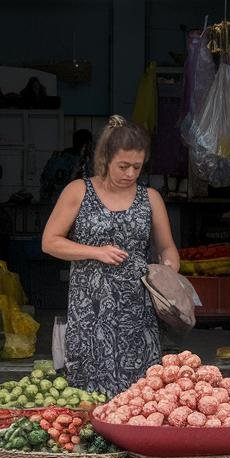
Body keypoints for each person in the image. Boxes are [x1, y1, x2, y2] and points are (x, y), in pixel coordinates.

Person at [41, 116, 179, 396]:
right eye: (123, 166)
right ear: (104, 159)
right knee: (89, 388)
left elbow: (167, 248)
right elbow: (50, 242)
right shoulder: (79, 191)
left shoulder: (150, 197)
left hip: (137, 310)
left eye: (137, 167)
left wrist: (168, 271)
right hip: (90, 309)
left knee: (140, 392)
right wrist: (96, 252)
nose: (130, 173)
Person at [39, 129, 94, 202]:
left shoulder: (58, 158)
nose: (89, 148)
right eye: (88, 145)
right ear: (85, 144)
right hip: (62, 203)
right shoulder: (66, 161)